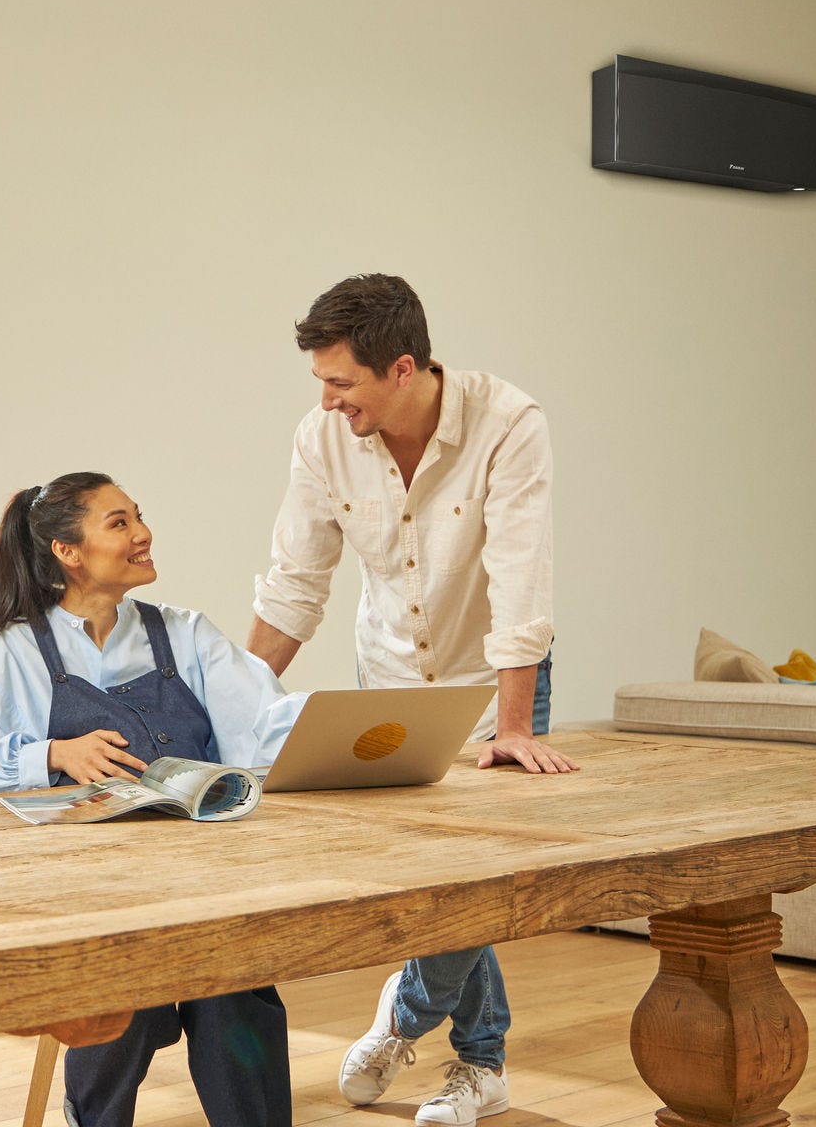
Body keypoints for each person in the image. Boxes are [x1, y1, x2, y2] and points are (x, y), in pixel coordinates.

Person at [246, 273, 577, 1127]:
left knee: (480, 875)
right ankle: (485, 1066)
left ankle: (407, 1017)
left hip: (494, 675)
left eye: (340, 382)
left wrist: (509, 726)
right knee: (435, 882)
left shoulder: (509, 423)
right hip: (389, 672)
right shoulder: (321, 443)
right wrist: (229, 705)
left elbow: (520, 577)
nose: (326, 401)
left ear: (402, 369)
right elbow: (294, 587)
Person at [0, 471, 302, 1127]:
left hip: (204, 891)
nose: (142, 534)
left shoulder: (184, 635)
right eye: (119, 522)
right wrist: (48, 753)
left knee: (234, 1000)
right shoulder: (15, 653)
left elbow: (266, 722)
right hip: (95, 901)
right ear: (69, 553)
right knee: (116, 1006)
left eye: (138, 517)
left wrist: (347, 731)